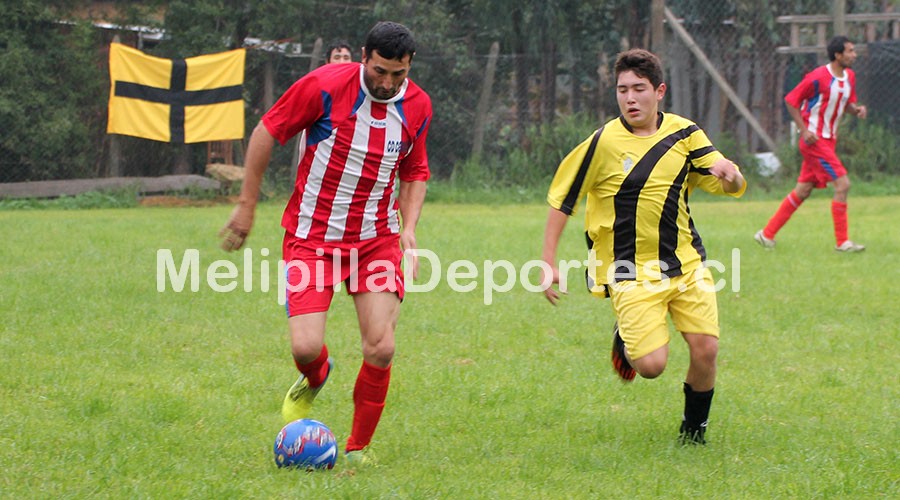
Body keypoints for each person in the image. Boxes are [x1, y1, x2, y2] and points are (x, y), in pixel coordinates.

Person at [219, 21, 432, 464]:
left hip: (376, 241)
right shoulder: (323, 87)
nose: (388, 82)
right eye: (379, 71)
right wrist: (246, 205)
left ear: (409, 66)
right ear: (363, 57)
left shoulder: (418, 105)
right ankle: (315, 376)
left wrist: (408, 228)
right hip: (312, 238)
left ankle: (357, 450)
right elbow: (265, 133)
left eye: (398, 74)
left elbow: (414, 171)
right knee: (305, 348)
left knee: (381, 345)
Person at [540, 48, 745, 445]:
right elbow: (562, 200)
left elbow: (727, 181)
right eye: (622, 90)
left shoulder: (686, 134)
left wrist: (731, 175)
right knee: (651, 366)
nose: (630, 98)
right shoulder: (601, 143)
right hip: (628, 271)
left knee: (706, 351)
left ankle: (693, 433)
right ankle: (626, 336)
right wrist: (548, 262)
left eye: (639, 89)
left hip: (685, 264)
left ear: (660, 91)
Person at [755, 35, 867, 252]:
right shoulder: (818, 77)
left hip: (829, 141)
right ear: (838, 55)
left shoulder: (849, 77)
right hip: (815, 141)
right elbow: (791, 100)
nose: (854, 55)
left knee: (803, 190)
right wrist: (804, 130)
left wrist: (857, 110)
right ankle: (843, 242)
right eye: (850, 51)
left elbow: (846, 104)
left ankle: (766, 234)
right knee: (843, 185)